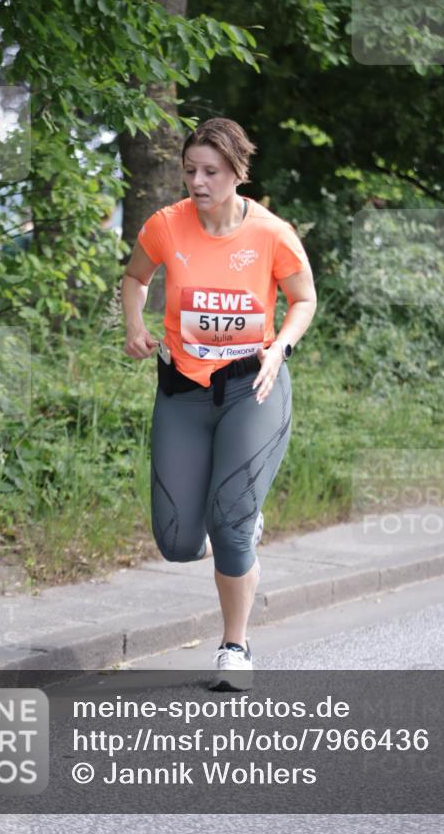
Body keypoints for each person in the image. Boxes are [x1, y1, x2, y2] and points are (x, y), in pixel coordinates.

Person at [121, 117, 317, 690]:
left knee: (229, 522)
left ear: (237, 172)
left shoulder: (271, 233)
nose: (197, 182)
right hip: (184, 387)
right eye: (189, 171)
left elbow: (303, 298)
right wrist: (134, 325)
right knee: (179, 542)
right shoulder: (166, 226)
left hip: (252, 385)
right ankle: (230, 520)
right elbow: (135, 278)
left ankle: (235, 645)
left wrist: (281, 344)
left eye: (210, 171)